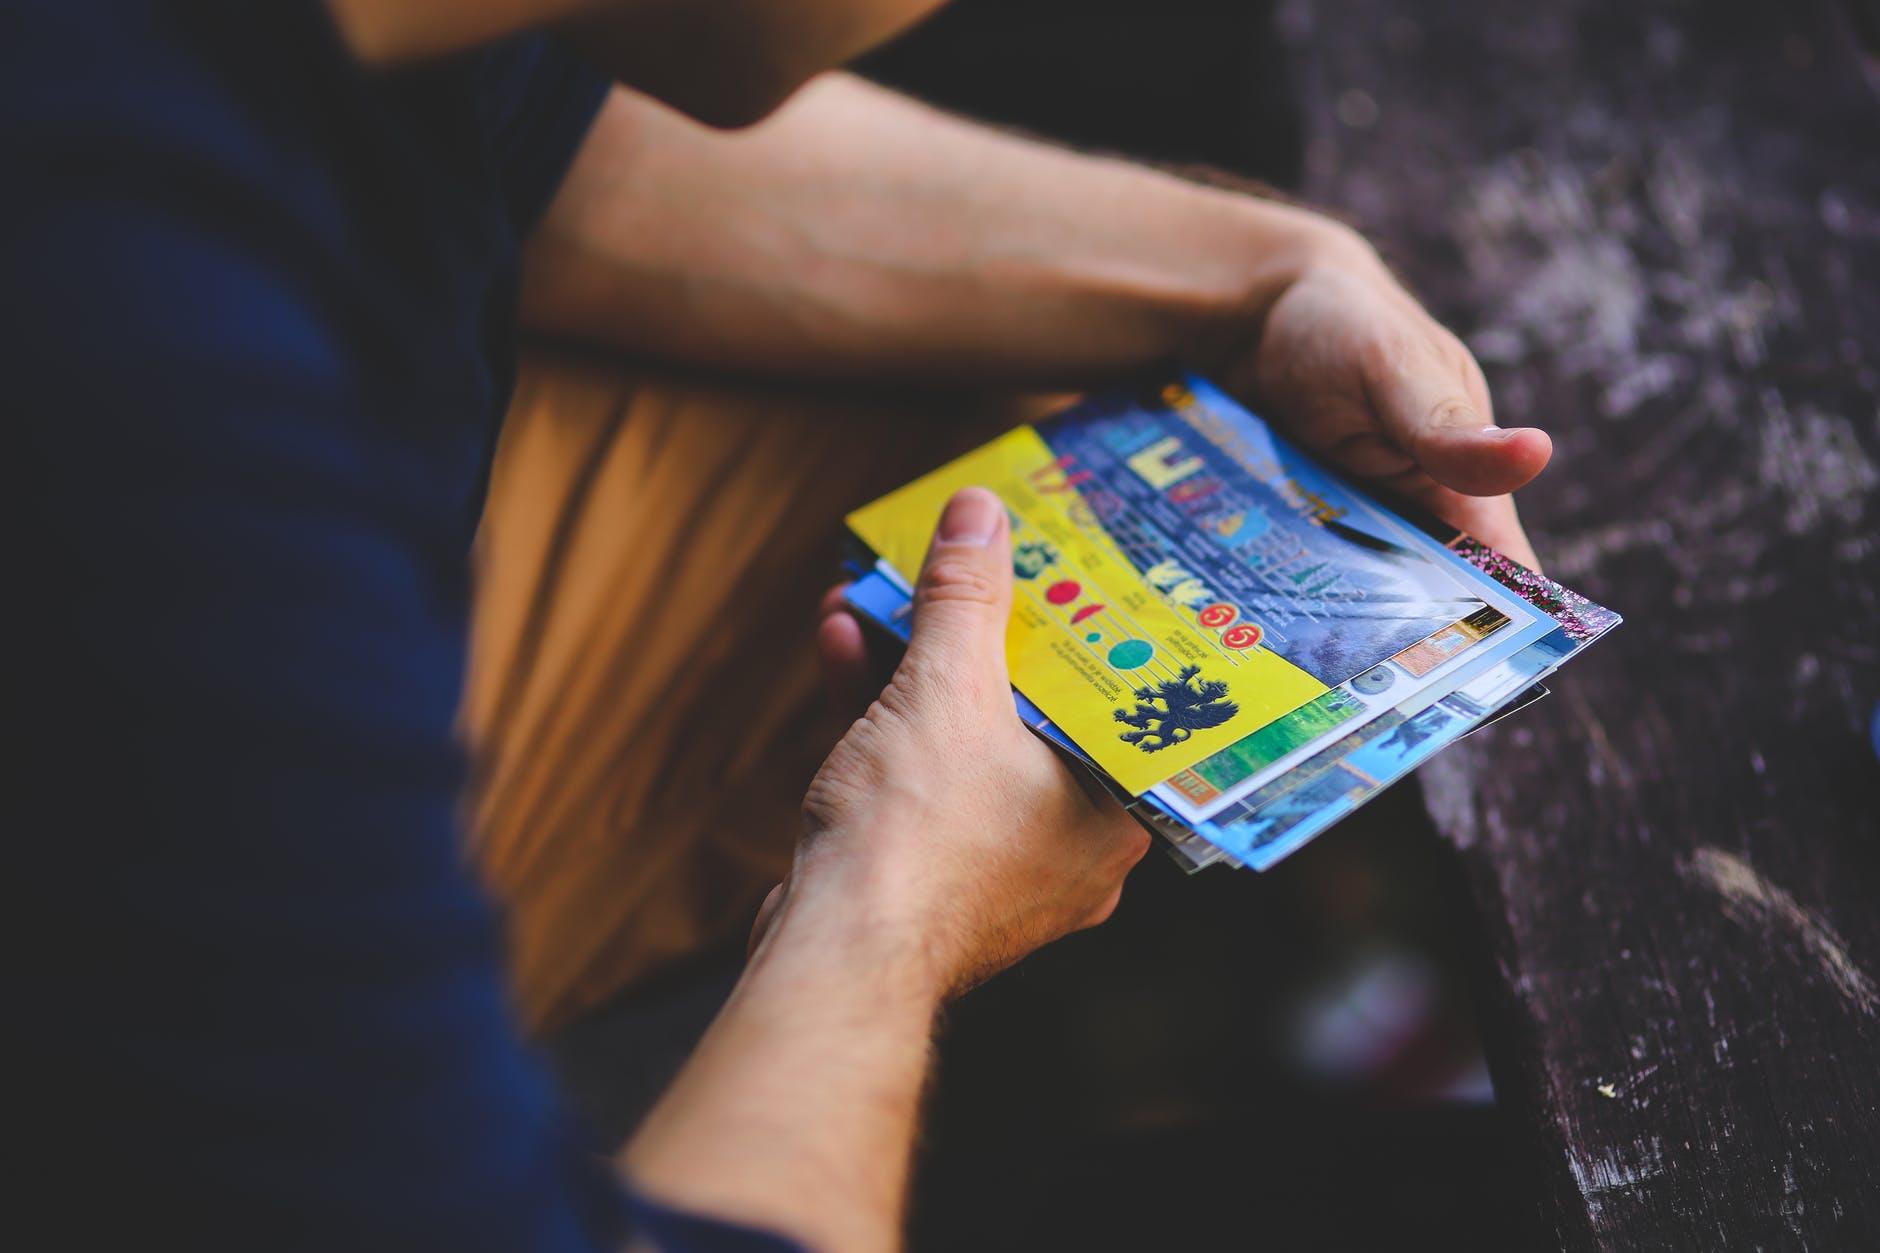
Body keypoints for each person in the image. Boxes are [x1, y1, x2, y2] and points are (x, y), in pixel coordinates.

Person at [8, 0, 1549, 1248]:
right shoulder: (132, 371)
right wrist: (891, 904)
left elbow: (558, 149)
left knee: (1042, 431)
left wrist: (1269, 273)